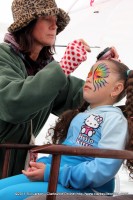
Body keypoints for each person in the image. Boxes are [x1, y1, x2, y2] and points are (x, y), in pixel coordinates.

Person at [0, 58, 130, 199]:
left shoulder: (115, 119)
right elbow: (66, 153)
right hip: (59, 176)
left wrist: (52, 172)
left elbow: (104, 167)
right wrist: (44, 165)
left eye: (97, 76)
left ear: (116, 88)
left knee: (6, 195)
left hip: (87, 187)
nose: (88, 79)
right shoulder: (81, 116)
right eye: (89, 74)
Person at [0, 0, 92, 178]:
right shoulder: (2, 57)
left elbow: (82, 98)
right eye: (45, 17)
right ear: (27, 24)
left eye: (55, 18)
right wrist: (63, 67)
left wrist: (108, 72)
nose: (54, 24)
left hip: (14, 167)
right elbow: (14, 104)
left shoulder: (44, 69)